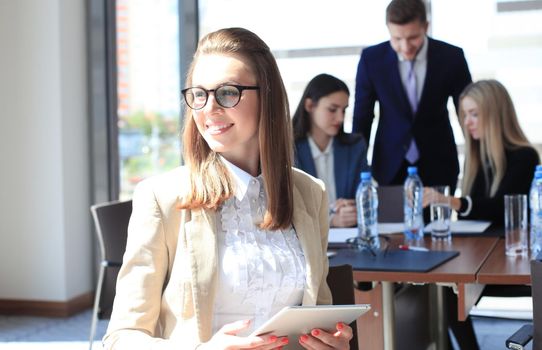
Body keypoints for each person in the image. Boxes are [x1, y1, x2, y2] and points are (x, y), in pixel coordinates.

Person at [102, 27, 353, 350]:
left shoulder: (309, 192)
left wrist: (332, 342)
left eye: (227, 93)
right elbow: (120, 339)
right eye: (198, 94)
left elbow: (319, 312)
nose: (209, 109)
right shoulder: (161, 197)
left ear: (268, 97)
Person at [352, 0, 472, 191]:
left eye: (413, 37)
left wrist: (478, 158)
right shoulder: (371, 59)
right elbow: (362, 118)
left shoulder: (452, 57)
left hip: (439, 161)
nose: (405, 46)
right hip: (390, 165)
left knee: (439, 221)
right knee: (390, 221)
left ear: (426, 26)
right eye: (397, 39)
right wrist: (355, 169)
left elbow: (466, 113)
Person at [424, 79, 540, 225]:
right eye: (465, 115)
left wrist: (450, 201)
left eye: (474, 114)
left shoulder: (525, 156)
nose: (467, 122)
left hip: (507, 244)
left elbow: (500, 209)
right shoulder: (476, 157)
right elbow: (469, 217)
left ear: (495, 116)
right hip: (479, 244)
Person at [292, 73, 369, 228]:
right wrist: (330, 220)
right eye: (332, 109)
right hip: (304, 245)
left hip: (348, 241)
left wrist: (353, 208)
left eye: (344, 110)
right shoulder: (288, 149)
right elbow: (289, 209)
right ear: (309, 106)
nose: (340, 118)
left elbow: (367, 197)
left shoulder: (355, 147)